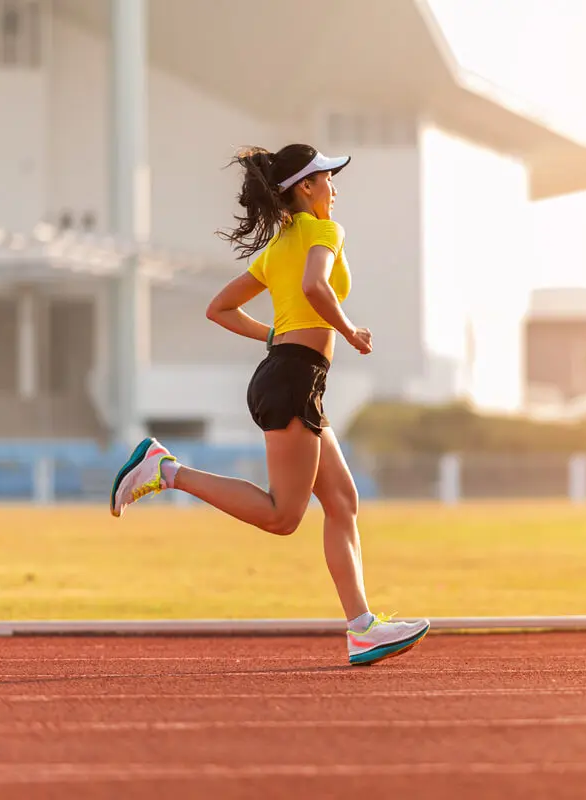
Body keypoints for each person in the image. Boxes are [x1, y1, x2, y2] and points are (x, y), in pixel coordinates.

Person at [109, 144, 430, 666]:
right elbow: (315, 286)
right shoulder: (325, 231)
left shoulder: (279, 245)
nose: (334, 187)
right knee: (283, 517)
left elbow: (220, 309)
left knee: (342, 501)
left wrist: (274, 336)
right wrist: (349, 331)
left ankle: (363, 629)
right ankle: (165, 471)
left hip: (293, 375)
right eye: (327, 177)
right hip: (293, 379)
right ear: (306, 187)